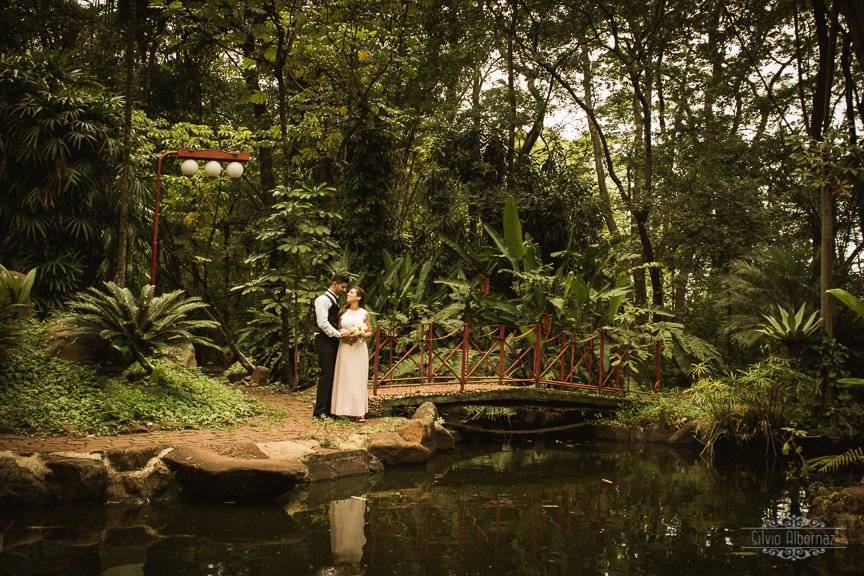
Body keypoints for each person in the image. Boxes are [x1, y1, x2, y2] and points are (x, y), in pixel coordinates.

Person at [330, 286, 372, 422]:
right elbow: (338, 329)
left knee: (357, 377)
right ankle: (340, 410)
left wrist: (361, 334)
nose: (348, 293)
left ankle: (359, 412)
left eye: (352, 292)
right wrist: (343, 334)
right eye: (349, 292)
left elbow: (370, 331)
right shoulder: (342, 312)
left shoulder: (364, 313)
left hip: (359, 348)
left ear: (358, 297)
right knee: (344, 376)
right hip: (345, 347)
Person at [313, 274, 350, 419]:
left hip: (332, 340)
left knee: (332, 375)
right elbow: (322, 323)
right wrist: (339, 334)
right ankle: (319, 411)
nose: (344, 290)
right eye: (343, 286)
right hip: (323, 340)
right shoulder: (322, 299)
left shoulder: (334, 299)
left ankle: (328, 409)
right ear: (334, 284)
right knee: (326, 374)